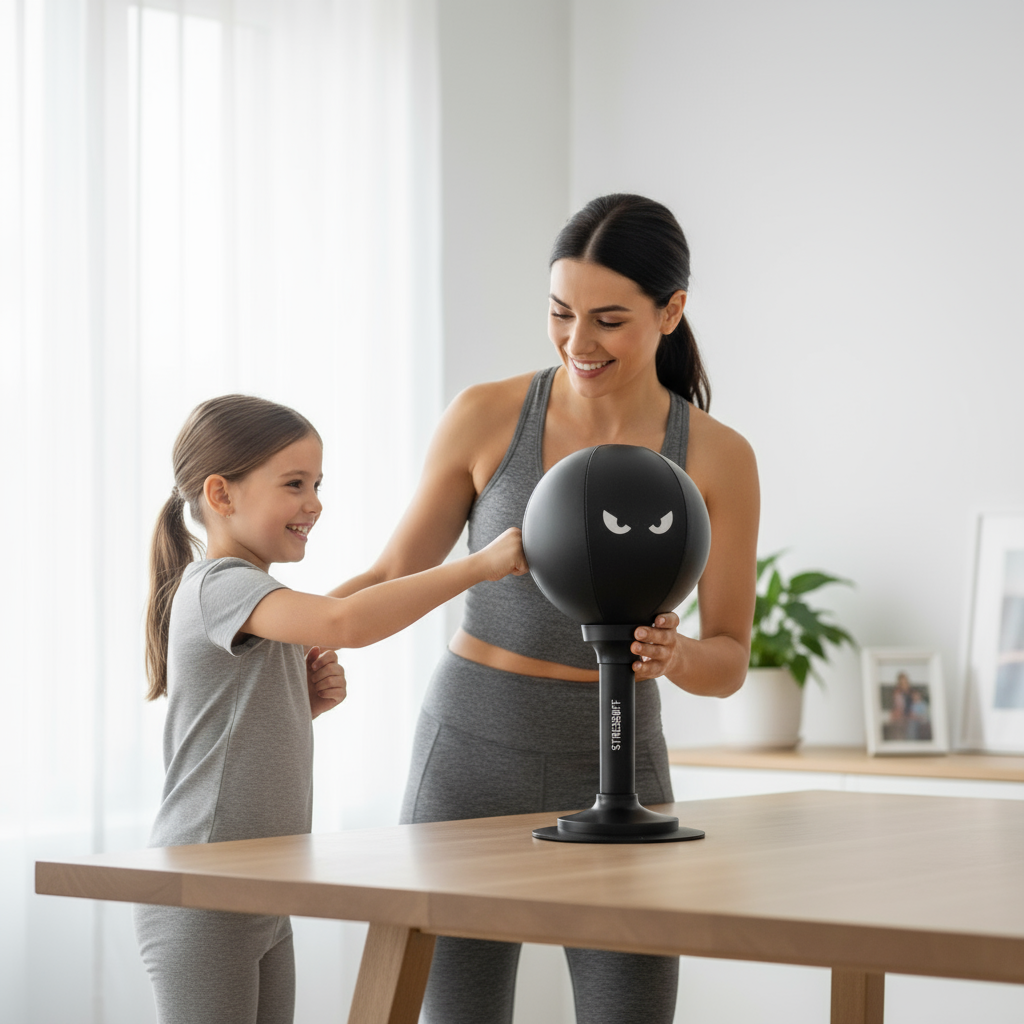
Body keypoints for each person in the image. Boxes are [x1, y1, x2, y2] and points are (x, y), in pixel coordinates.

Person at [332, 194, 760, 1024]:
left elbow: (731, 660)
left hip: (618, 762)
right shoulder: (488, 415)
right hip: (469, 751)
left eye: (609, 320)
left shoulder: (717, 456)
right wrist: (268, 625)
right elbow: (391, 572)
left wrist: (677, 656)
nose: (577, 342)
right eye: (561, 313)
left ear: (671, 311)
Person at [135, 394, 527, 1024]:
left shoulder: (254, 597)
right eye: (294, 484)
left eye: (317, 484)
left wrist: (300, 707)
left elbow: (239, 721)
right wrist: (477, 567)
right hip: (206, 889)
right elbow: (345, 621)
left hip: (259, 887)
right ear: (221, 494)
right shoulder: (220, 585)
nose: (314, 502)